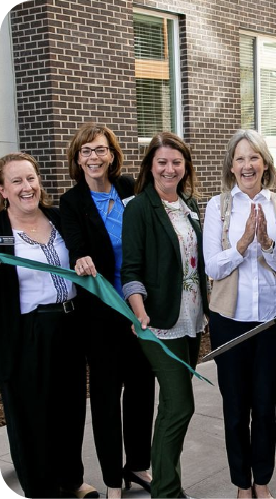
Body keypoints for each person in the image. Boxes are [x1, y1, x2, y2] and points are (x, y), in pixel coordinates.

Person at [60, 123, 155, 499]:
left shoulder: (131, 188)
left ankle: (138, 466)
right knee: (104, 396)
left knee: (142, 390)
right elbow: (75, 245)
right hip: (100, 317)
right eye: (86, 152)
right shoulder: (73, 202)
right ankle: (113, 480)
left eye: (100, 150)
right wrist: (80, 257)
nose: (94, 157)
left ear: (113, 155)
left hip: (138, 310)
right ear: (77, 159)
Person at [203, 129, 276, 499]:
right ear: (231, 165)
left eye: (254, 157)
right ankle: (242, 485)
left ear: (264, 163)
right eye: (240, 158)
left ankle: (263, 481)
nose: (247, 165)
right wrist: (242, 245)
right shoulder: (218, 206)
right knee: (235, 407)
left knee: (265, 405)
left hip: (272, 321)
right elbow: (212, 267)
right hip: (230, 321)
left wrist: (268, 245)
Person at [0, 152, 98, 499]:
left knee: (70, 408)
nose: (27, 187)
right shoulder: (0, 231)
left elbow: (85, 255)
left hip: (69, 325)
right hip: (27, 332)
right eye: (17, 181)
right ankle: (41, 489)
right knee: (31, 416)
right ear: (3, 190)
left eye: (31, 178)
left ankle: (71, 479)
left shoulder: (59, 219)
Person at [121, 132, 208, 499]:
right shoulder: (139, 208)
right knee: (180, 404)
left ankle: (165, 481)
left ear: (185, 165)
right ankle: (167, 491)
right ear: (150, 166)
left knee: (174, 406)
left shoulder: (189, 204)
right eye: (162, 162)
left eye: (176, 161)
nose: (169, 168)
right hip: (156, 322)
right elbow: (132, 269)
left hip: (190, 317)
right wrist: (139, 313)